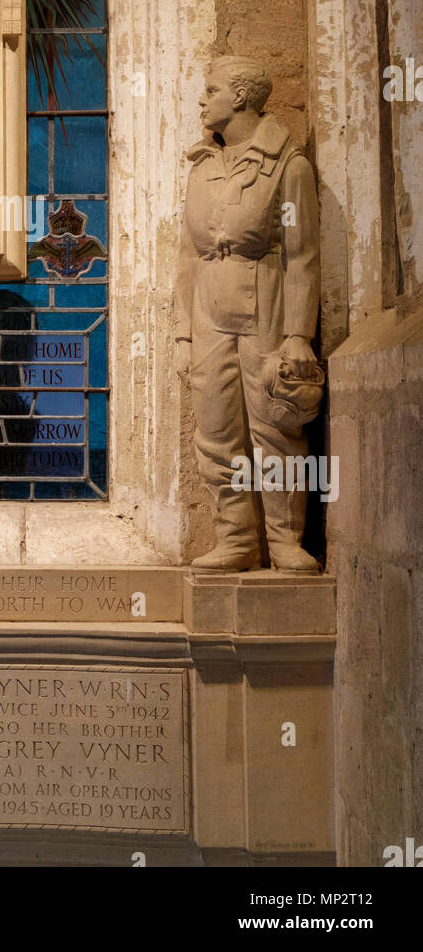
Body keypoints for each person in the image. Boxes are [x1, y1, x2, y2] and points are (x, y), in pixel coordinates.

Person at [175, 56, 322, 573]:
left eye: (210, 89)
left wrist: (298, 334)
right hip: (208, 311)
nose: (202, 99)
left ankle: (285, 540)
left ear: (239, 97)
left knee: (277, 425)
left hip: (265, 306)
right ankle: (236, 538)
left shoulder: (288, 165)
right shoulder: (203, 167)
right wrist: (182, 335)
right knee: (215, 429)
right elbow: (188, 255)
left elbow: (302, 254)